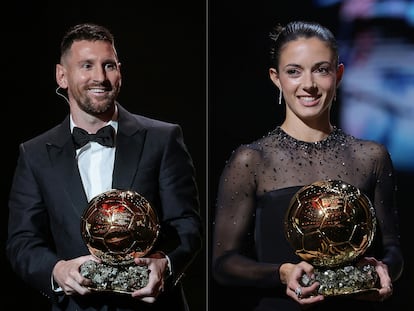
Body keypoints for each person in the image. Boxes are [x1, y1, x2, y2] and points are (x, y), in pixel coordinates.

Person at [6, 23, 203, 311]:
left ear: (119, 71)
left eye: (108, 65)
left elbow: (187, 225)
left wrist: (165, 264)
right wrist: (57, 270)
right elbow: (21, 241)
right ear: (62, 75)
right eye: (87, 66)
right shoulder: (35, 153)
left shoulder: (162, 138)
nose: (100, 77)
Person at [211, 20, 403, 311]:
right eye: (294, 72)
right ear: (276, 78)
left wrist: (383, 269)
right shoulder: (252, 160)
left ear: (338, 75)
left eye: (321, 69)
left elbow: (393, 250)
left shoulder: (371, 156)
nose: (309, 85)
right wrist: (281, 273)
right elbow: (224, 263)